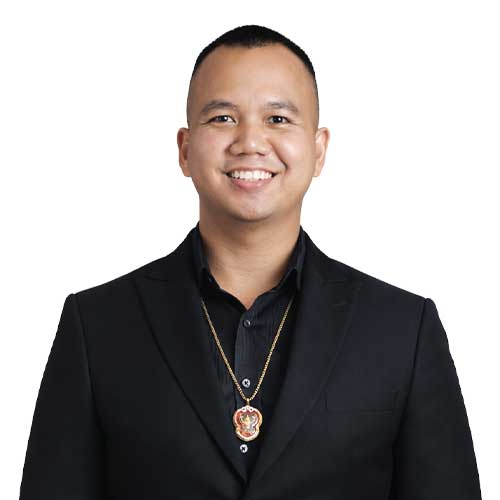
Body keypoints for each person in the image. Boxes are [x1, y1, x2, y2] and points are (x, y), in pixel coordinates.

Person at [19, 24, 482, 500]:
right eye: (222, 118)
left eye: (278, 119)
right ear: (184, 149)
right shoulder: (97, 324)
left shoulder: (403, 329)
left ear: (319, 150)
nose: (250, 142)